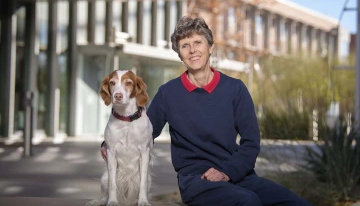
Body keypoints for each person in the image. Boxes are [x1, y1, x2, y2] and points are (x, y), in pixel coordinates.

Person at [101, 16, 312, 206]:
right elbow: (144, 129)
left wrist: (226, 172)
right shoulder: (168, 94)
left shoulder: (235, 89)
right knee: (248, 202)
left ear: (210, 47)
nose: (192, 50)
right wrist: (109, 141)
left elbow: (251, 142)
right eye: (185, 46)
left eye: (198, 42)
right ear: (180, 55)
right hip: (195, 181)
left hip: (238, 175)